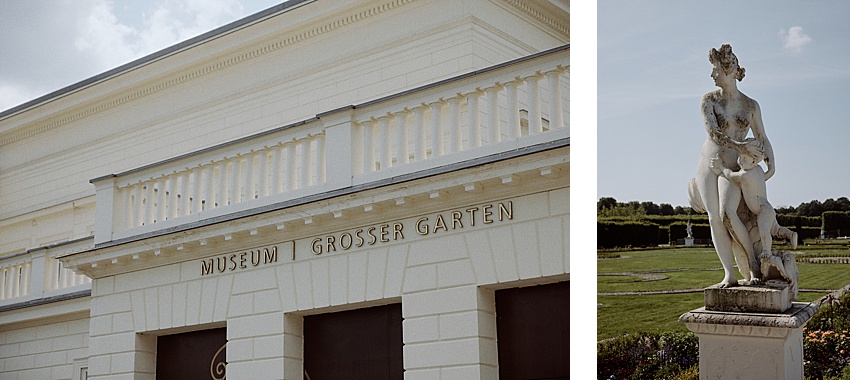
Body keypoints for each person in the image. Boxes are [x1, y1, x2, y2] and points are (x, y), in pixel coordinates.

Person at [690, 44, 776, 287]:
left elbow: (762, 136)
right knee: (715, 218)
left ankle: (753, 264)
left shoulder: (750, 105)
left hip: (737, 168)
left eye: (715, 69)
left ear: (729, 71)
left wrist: (772, 162)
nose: (712, 74)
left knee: (728, 215)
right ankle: (729, 273)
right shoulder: (709, 100)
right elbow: (714, 134)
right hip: (711, 162)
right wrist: (743, 147)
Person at [710, 145, 797, 258]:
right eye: (740, 157)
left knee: (764, 232)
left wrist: (721, 166)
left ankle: (767, 252)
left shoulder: (745, 174)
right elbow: (769, 174)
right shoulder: (759, 170)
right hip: (767, 207)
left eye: (745, 159)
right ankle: (791, 234)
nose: (740, 161)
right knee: (776, 230)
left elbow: (730, 175)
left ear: (754, 162)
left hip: (762, 209)